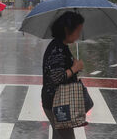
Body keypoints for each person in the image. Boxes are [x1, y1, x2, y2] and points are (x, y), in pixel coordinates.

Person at [42, 11, 85, 139]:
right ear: (67, 30)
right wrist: (74, 68)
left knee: (60, 135)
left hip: (58, 101)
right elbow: (57, 77)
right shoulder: (57, 49)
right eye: (78, 30)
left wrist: (73, 68)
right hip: (57, 102)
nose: (79, 34)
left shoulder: (61, 46)